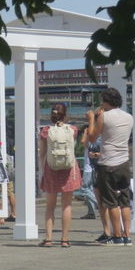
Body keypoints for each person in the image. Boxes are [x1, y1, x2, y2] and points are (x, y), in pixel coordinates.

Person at [87, 87, 134, 246]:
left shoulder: (105, 117)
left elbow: (93, 137)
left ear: (107, 101)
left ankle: (117, 236)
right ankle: (127, 235)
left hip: (108, 163)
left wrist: (92, 119)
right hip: (124, 163)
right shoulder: (129, 117)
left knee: (111, 202)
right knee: (125, 201)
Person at [38, 103, 81, 248]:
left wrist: (42, 168)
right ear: (65, 115)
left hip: (51, 169)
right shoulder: (73, 130)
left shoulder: (45, 131)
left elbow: (42, 153)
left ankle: (49, 238)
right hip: (69, 169)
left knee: (50, 206)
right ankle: (65, 239)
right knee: (66, 205)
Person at [78, 125, 99, 221]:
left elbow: (82, 142)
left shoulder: (91, 139)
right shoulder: (94, 139)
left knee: (84, 189)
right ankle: (91, 213)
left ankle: (98, 203)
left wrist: (86, 133)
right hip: (90, 167)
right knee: (89, 189)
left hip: (88, 168)